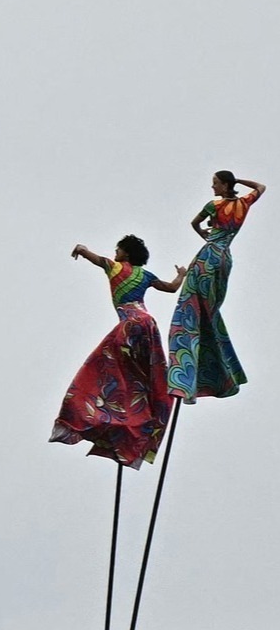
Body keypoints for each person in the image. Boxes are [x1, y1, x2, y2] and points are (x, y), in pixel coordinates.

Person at [53, 236, 184, 467]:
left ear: (125, 253)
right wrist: (182, 275)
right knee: (145, 373)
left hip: (129, 324)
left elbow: (95, 259)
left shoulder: (114, 267)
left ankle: (94, 412)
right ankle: (139, 410)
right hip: (148, 324)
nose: (115, 252)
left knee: (100, 364)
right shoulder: (146, 275)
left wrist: (82, 249)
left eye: (118, 249)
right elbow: (172, 288)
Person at [167, 170, 265, 400]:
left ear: (223, 185)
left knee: (189, 308)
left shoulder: (215, 205)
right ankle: (215, 365)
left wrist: (203, 232)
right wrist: (238, 182)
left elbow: (194, 223)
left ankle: (186, 368)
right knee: (210, 311)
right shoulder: (244, 203)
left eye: (215, 184)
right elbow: (261, 186)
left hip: (209, 256)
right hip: (225, 259)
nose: (213, 188)